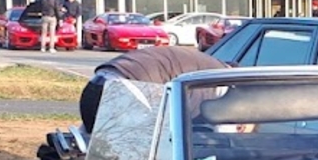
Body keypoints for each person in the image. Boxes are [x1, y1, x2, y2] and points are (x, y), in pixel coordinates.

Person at [78, 44, 222, 134]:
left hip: (99, 81)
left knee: (91, 145)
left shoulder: (203, 62)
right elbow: (223, 131)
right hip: (129, 90)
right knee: (142, 156)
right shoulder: (219, 80)